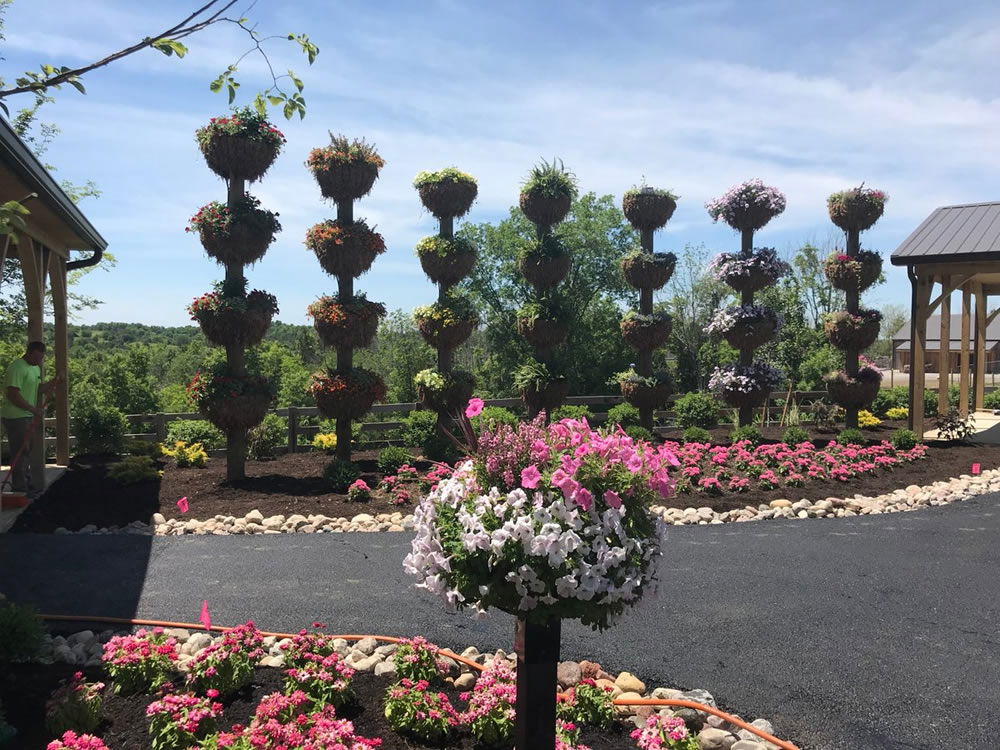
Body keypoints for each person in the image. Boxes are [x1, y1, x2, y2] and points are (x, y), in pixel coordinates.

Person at [2, 341, 60, 496]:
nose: (39, 361)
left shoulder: (34, 368)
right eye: (37, 358)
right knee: (20, 452)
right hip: (15, 416)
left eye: (41, 358)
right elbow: (13, 394)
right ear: (29, 353)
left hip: (27, 416)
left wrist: (53, 382)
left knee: (26, 451)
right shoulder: (17, 368)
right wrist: (33, 409)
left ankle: (24, 484)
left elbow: (38, 389)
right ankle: (20, 488)